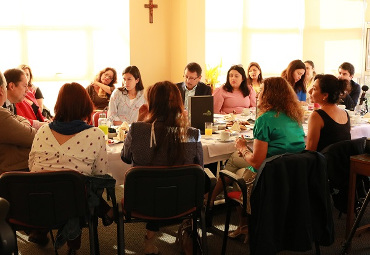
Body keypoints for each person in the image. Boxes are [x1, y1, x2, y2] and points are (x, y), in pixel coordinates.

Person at [213, 77, 306, 241]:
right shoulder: (295, 116)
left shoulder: (265, 119)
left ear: (269, 95)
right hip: (291, 173)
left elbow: (257, 162)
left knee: (237, 173)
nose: (258, 93)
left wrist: (242, 147)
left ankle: (235, 219)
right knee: (235, 161)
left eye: (262, 90)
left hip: (268, 173)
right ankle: (215, 203)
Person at [121, 81, 203, 255]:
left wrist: (140, 121)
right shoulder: (192, 133)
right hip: (183, 201)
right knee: (200, 181)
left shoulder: (137, 129)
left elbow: (125, 157)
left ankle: (150, 238)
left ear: (152, 104)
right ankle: (188, 229)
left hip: (142, 201)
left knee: (156, 180)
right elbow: (199, 169)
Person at [29, 82, 112, 253]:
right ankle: (84, 227)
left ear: (58, 105)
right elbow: (100, 176)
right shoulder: (95, 134)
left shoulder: (42, 131)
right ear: (86, 105)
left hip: (40, 202)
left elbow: (31, 167)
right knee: (87, 188)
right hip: (75, 204)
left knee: (71, 188)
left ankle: (46, 229)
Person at [0, 70, 36, 173]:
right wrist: (24, 124)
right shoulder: (2, 114)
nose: (27, 90)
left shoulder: (6, 112)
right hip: (11, 177)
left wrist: (21, 122)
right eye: (24, 86)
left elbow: (17, 119)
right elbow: (33, 136)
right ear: (2, 90)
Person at [306, 74, 350, 151]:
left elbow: (310, 151)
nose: (309, 91)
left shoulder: (317, 116)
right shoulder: (345, 113)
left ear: (325, 95)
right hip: (341, 161)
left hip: (324, 161)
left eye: (314, 89)